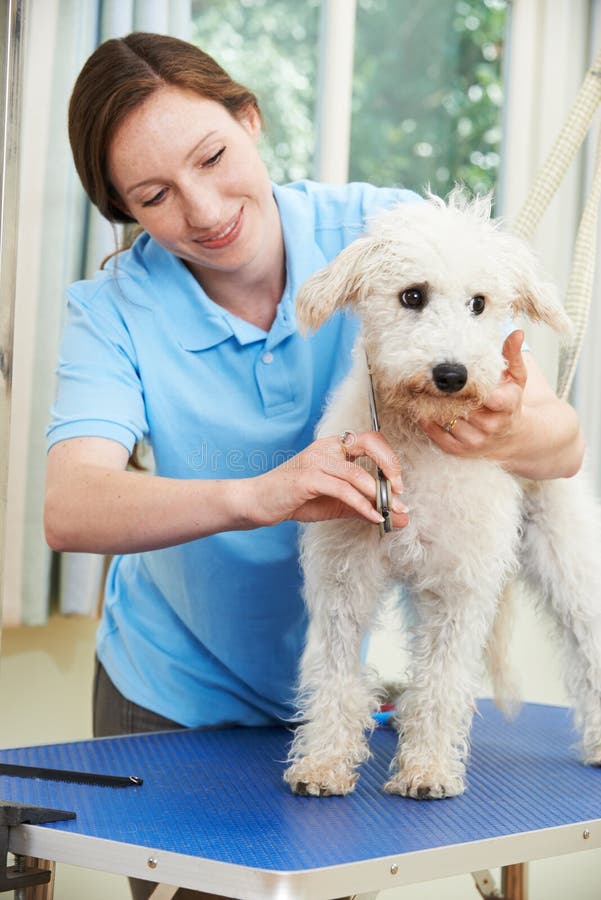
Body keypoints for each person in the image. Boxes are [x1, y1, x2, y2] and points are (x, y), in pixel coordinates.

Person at [44, 32, 584, 900]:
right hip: (174, 698)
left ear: (249, 120)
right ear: (124, 210)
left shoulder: (386, 232)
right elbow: (69, 508)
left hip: (365, 701)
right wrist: (262, 493)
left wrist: (498, 420)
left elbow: (563, 446)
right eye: (155, 194)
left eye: (214, 155)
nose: (204, 205)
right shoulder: (112, 310)